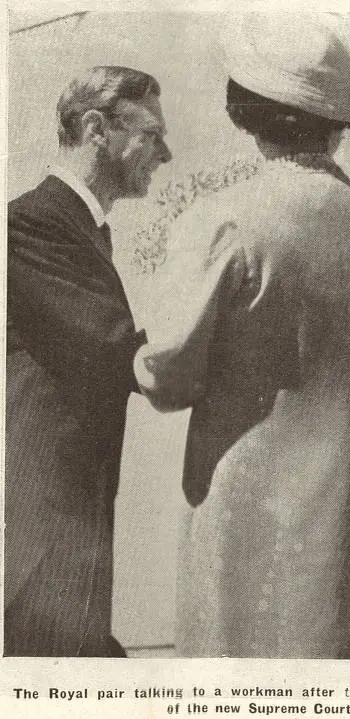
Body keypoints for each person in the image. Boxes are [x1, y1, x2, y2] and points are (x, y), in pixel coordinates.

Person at [135, 13, 350, 658]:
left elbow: (166, 375)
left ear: (243, 109)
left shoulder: (225, 221)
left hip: (250, 520)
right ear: (337, 120)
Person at [5, 66, 172, 656]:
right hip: (41, 509)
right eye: (152, 134)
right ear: (97, 129)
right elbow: (114, 350)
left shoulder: (79, 228)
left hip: (73, 506)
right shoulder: (28, 224)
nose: (166, 153)